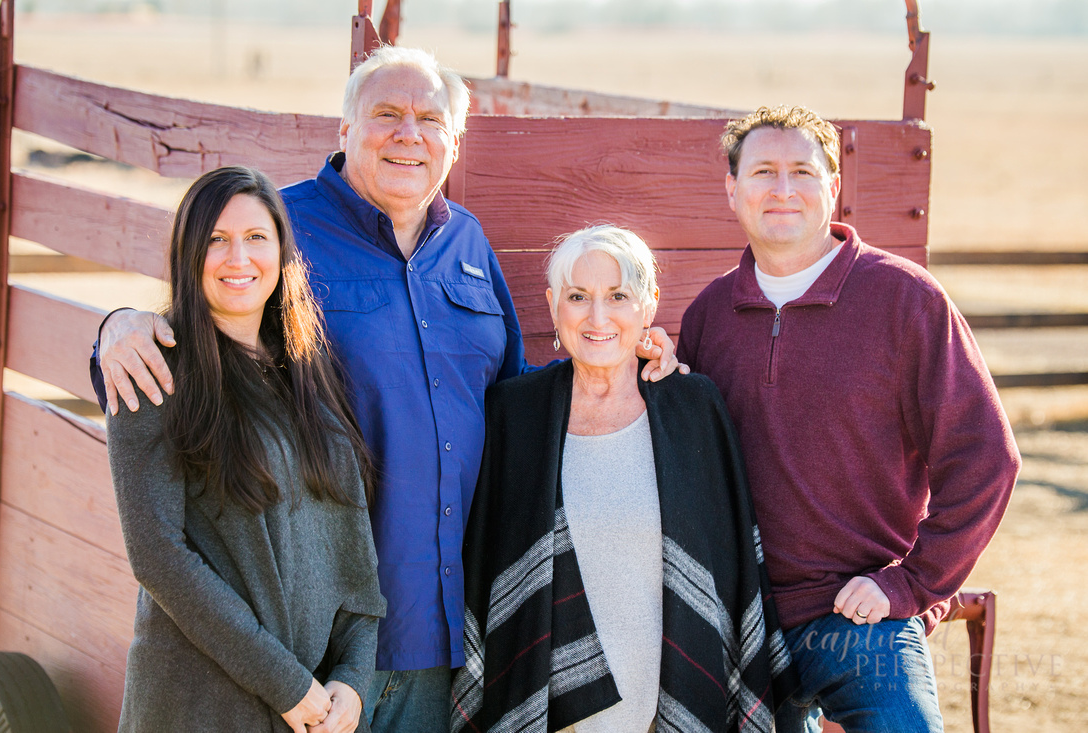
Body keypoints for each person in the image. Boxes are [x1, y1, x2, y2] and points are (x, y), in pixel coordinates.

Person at [92, 47, 682, 731]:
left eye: (430, 119)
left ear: (454, 143)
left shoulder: (468, 243)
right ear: (343, 131)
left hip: (443, 632)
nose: (409, 134)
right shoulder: (280, 231)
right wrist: (118, 327)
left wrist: (627, 349)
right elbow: (198, 337)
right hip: (314, 638)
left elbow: (516, 399)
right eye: (386, 115)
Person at [676, 105, 1021, 732]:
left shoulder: (904, 300)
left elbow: (987, 457)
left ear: (834, 187)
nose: (783, 190)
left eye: (803, 172)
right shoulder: (709, 317)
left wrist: (912, 584)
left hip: (858, 616)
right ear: (732, 189)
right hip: (743, 619)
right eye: (763, 172)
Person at [452, 225, 797, 733]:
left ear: (648, 305)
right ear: (553, 306)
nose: (597, 317)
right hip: (547, 711)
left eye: (618, 296)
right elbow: (490, 573)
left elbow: (729, 568)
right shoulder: (514, 413)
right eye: (577, 297)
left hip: (671, 702)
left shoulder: (692, 407)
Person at [107, 166, 386, 732]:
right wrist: (287, 686)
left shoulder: (311, 373)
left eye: (257, 237)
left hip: (312, 710)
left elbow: (354, 552)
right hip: (199, 709)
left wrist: (353, 681)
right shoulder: (154, 369)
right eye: (216, 239)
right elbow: (158, 557)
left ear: (283, 250)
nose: (239, 258)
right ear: (189, 254)